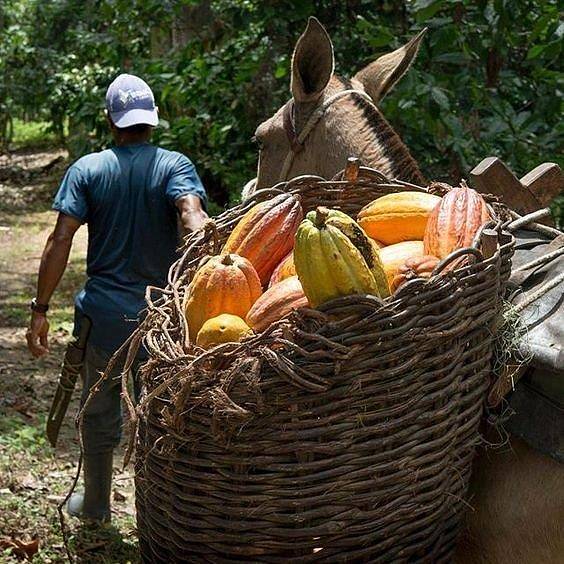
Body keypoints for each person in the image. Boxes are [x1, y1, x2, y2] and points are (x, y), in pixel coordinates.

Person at [26, 74, 208, 522]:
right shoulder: (174, 165)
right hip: (160, 319)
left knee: (99, 409)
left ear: (111, 120)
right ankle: (158, 515)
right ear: (154, 120)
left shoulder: (87, 169)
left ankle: (95, 505)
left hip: (103, 317)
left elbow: (61, 239)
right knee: (160, 414)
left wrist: (40, 310)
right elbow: (192, 216)